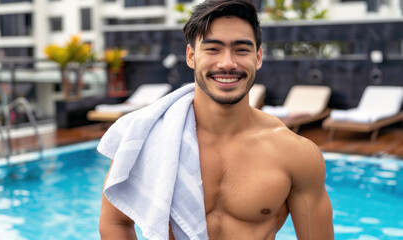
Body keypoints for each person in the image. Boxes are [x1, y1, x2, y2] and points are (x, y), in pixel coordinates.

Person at [98, 0, 334, 239]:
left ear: (258, 57)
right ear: (191, 57)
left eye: (241, 49)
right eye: (213, 49)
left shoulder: (295, 154)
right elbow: (115, 223)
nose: (227, 63)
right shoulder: (145, 138)